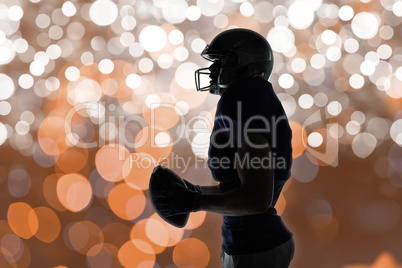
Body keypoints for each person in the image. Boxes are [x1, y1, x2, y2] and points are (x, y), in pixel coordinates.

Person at [155, 28, 295, 268]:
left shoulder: (245, 97)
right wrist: (197, 193)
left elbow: (255, 199)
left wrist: (195, 202)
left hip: (256, 247)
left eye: (221, 62)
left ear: (245, 66)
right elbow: (240, 188)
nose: (211, 70)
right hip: (250, 244)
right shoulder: (249, 99)